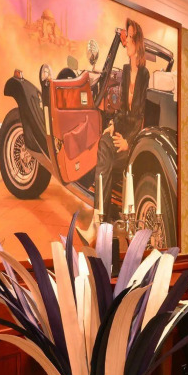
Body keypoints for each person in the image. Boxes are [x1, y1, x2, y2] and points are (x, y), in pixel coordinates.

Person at [78, 18, 150, 243]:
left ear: (137, 41)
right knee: (104, 144)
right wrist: (113, 125)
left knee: (105, 156)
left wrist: (129, 141)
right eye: (125, 36)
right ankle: (100, 222)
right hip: (122, 132)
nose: (126, 41)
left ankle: (100, 224)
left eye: (129, 36)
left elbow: (139, 115)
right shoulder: (126, 70)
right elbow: (123, 111)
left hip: (133, 139)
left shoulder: (145, 74)